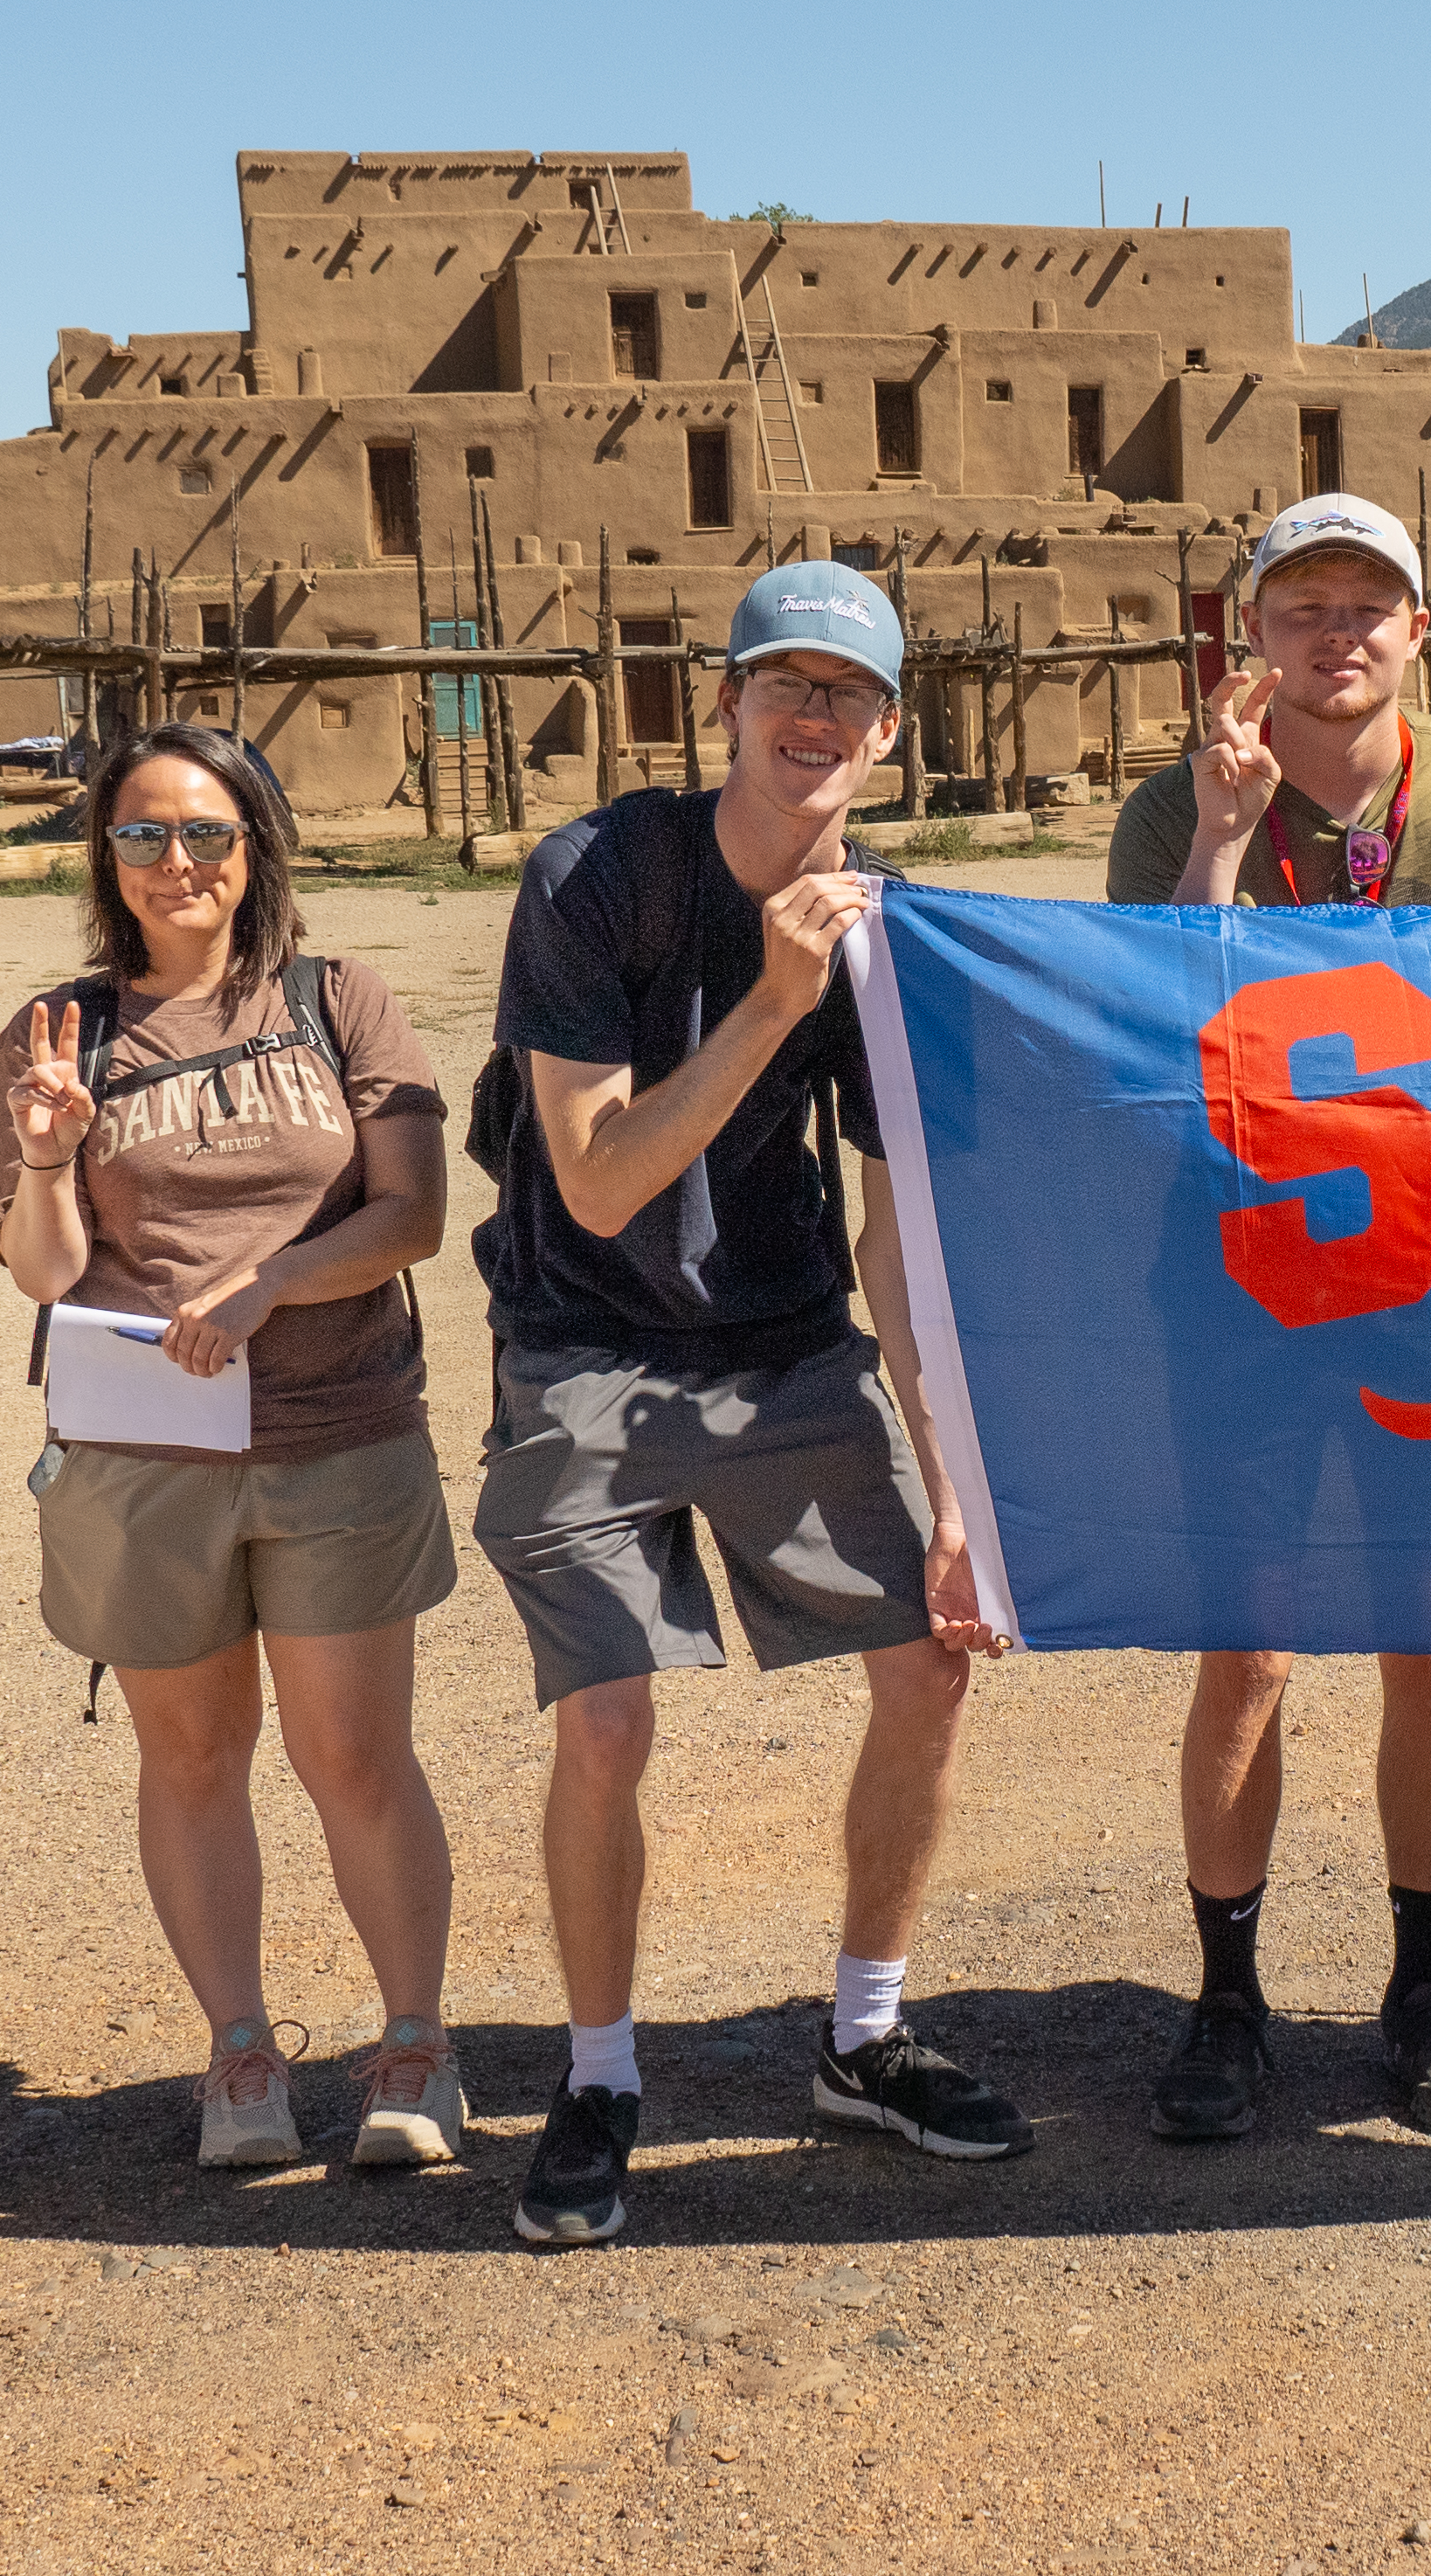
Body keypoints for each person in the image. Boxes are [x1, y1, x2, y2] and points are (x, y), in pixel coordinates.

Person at [472, 557, 1022, 2244]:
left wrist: (953, 1497)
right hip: (588, 1343)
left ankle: (863, 2034)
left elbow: (896, 1229)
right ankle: (602, 2073)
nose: (811, 716)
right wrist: (777, 997)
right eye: (783, 683)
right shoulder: (600, 877)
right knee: (611, 1716)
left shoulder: (884, 925)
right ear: (723, 703)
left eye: (846, 694)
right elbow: (601, 1178)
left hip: (779, 1347)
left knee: (931, 1663)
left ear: (888, 730)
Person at [1105, 491, 1431, 2138]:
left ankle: (1422, 1988)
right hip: (1239, 1283)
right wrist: (1228, 837)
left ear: (1422, 628)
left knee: (1430, 1645)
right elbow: (1154, 1031)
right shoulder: (1176, 808)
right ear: (1255, 637)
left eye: (1370, 602)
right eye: (1302, 605)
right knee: (1250, 1648)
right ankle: (1227, 2001)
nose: (1338, 631)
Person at [0, 722, 463, 2173]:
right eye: (143, 835)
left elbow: (414, 1215)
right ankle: (241, 2052)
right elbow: (38, 1270)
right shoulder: (59, 1030)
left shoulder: (338, 999)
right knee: (192, 1758)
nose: (176, 861)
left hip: (336, 1434)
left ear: (255, 849)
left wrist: (272, 1284)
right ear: (106, 859)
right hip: (147, 1453)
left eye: (207, 833)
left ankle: (417, 2048)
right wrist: (54, 1152)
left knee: (355, 1756)